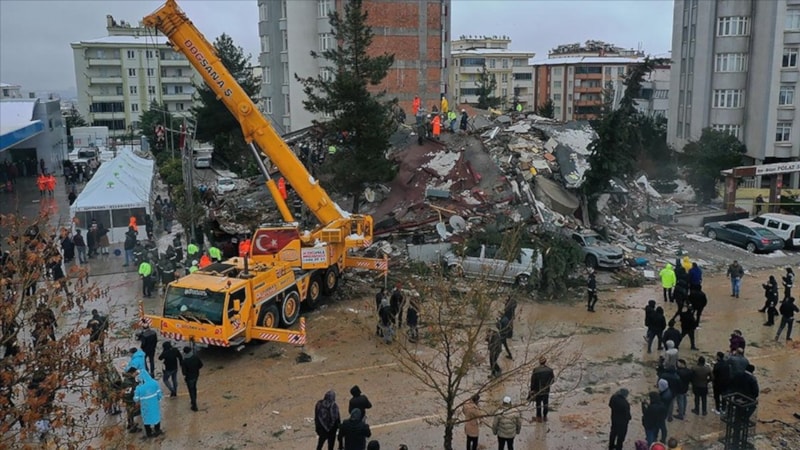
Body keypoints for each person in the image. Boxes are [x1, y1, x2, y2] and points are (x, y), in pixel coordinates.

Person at [133, 370, 163, 438]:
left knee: (146, 419)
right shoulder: (155, 383)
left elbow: (136, 399)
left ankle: (149, 433)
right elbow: (159, 394)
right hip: (154, 405)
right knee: (156, 417)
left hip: (145, 407)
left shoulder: (139, 388)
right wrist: (158, 399)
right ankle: (157, 430)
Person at [528, 356, 555, 422]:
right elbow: (552, 380)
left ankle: (539, 417)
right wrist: (547, 385)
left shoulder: (536, 370)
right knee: (545, 403)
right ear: (545, 362)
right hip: (546, 390)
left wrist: (532, 390)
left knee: (538, 404)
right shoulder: (550, 370)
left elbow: (533, 381)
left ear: (539, 362)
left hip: (538, 390)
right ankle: (545, 416)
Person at [181, 346, 203, 411]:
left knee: (191, 391)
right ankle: (194, 401)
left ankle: (194, 404)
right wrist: (196, 369)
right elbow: (201, 365)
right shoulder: (195, 357)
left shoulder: (184, 361)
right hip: (196, 375)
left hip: (189, 378)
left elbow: (184, 373)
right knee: (194, 388)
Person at [121, 368, 142, 433]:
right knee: (131, 413)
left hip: (129, 400)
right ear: (131, 373)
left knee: (129, 413)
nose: (136, 374)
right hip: (130, 400)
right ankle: (132, 428)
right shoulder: (128, 383)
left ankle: (130, 424)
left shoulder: (129, 379)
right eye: (135, 373)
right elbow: (128, 393)